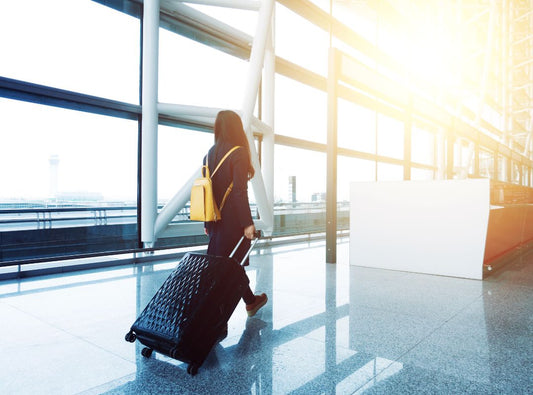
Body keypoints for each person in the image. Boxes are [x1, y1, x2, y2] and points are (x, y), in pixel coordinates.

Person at [204, 110, 268, 318]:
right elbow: (240, 191)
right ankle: (219, 318)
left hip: (214, 220)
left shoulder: (209, 154)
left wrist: (207, 222)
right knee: (230, 267)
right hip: (232, 222)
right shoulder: (238, 152)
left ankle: (250, 302)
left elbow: (207, 192)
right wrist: (247, 223)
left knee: (226, 266)